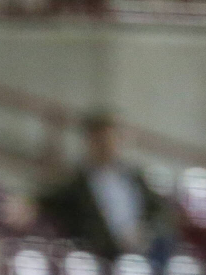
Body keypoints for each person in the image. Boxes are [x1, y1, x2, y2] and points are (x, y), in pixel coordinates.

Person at [37, 111, 168, 259]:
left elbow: (157, 209)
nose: (107, 146)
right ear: (91, 142)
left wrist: (144, 232)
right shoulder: (76, 184)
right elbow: (48, 201)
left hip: (143, 250)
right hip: (103, 256)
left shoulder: (134, 177)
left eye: (112, 140)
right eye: (101, 141)